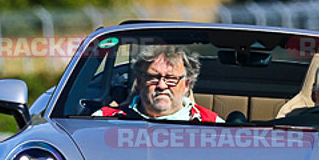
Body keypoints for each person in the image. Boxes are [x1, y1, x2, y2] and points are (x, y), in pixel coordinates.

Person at [93, 44, 224, 122]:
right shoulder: (104, 119)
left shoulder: (213, 125)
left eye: (171, 78)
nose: (161, 86)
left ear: (186, 85)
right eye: (153, 77)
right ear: (139, 82)